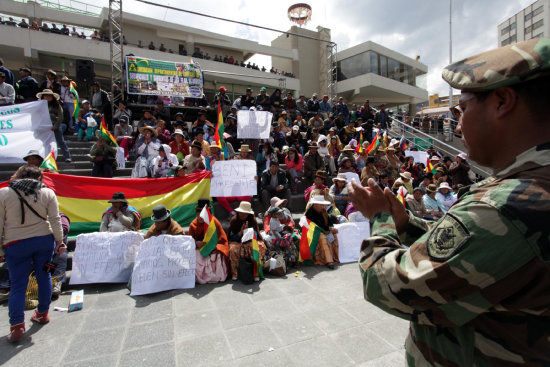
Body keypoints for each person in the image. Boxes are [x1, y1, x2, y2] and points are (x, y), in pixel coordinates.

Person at [349, 38, 550, 365]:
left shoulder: (507, 204)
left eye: (462, 108)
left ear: (502, 101)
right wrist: (406, 223)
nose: (457, 123)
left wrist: (381, 219)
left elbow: (388, 286)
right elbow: (475, 249)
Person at [0, 166, 66, 342]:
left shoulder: (4, 193)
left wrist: (0, 248)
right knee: (43, 277)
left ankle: (16, 326)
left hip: (15, 243)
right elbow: (55, 218)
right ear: (39, 177)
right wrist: (59, 241)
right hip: (44, 240)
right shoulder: (47, 193)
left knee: (18, 285)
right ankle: (42, 313)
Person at [188, 199, 229, 284]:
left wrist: (215, 246)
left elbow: (222, 240)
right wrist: (196, 243)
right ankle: (201, 278)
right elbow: (189, 241)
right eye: (198, 215)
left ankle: (215, 277)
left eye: (202, 215)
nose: (200, 217)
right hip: (199, 248)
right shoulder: (193, 225)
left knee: (216, 255)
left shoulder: (215, 222)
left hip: (214, 247)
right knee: (197, 255)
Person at [227, 202, 267, 281]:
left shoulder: (252, 220)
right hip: (237, 242)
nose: (243, 215)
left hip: (251, 240)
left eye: (245, 213)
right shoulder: (234, 220)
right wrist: (240, 233)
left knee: (260, 247)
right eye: (241, 213)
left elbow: (256, 234)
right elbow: (231, 237)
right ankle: (235, 273)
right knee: (233, 249)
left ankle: (256, 272)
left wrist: (248, 231)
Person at [303, 195, 339, 269]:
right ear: (315, 204)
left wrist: (331, 227)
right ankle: (329, 261)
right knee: (322, 237)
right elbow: (316, 225)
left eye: (323, 204)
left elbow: (328, 221)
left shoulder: (323, 211)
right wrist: (328, 229)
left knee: (335, 234)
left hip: (324, 229)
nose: (323, 206)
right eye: (321, 204)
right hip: (313, 232)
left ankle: (336, 256)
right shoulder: (310, 213)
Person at [37, 89, 71, 162]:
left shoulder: (57, 105)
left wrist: (55, 126)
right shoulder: (39, 105)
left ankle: (67, 156)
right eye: (45, 96)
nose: (47, 97)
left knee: (61, 141)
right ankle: (43, 156)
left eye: (49, 96)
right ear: (43, 97)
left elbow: (61, 116)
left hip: (55, 125)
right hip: (44, 126)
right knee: (43, 142)